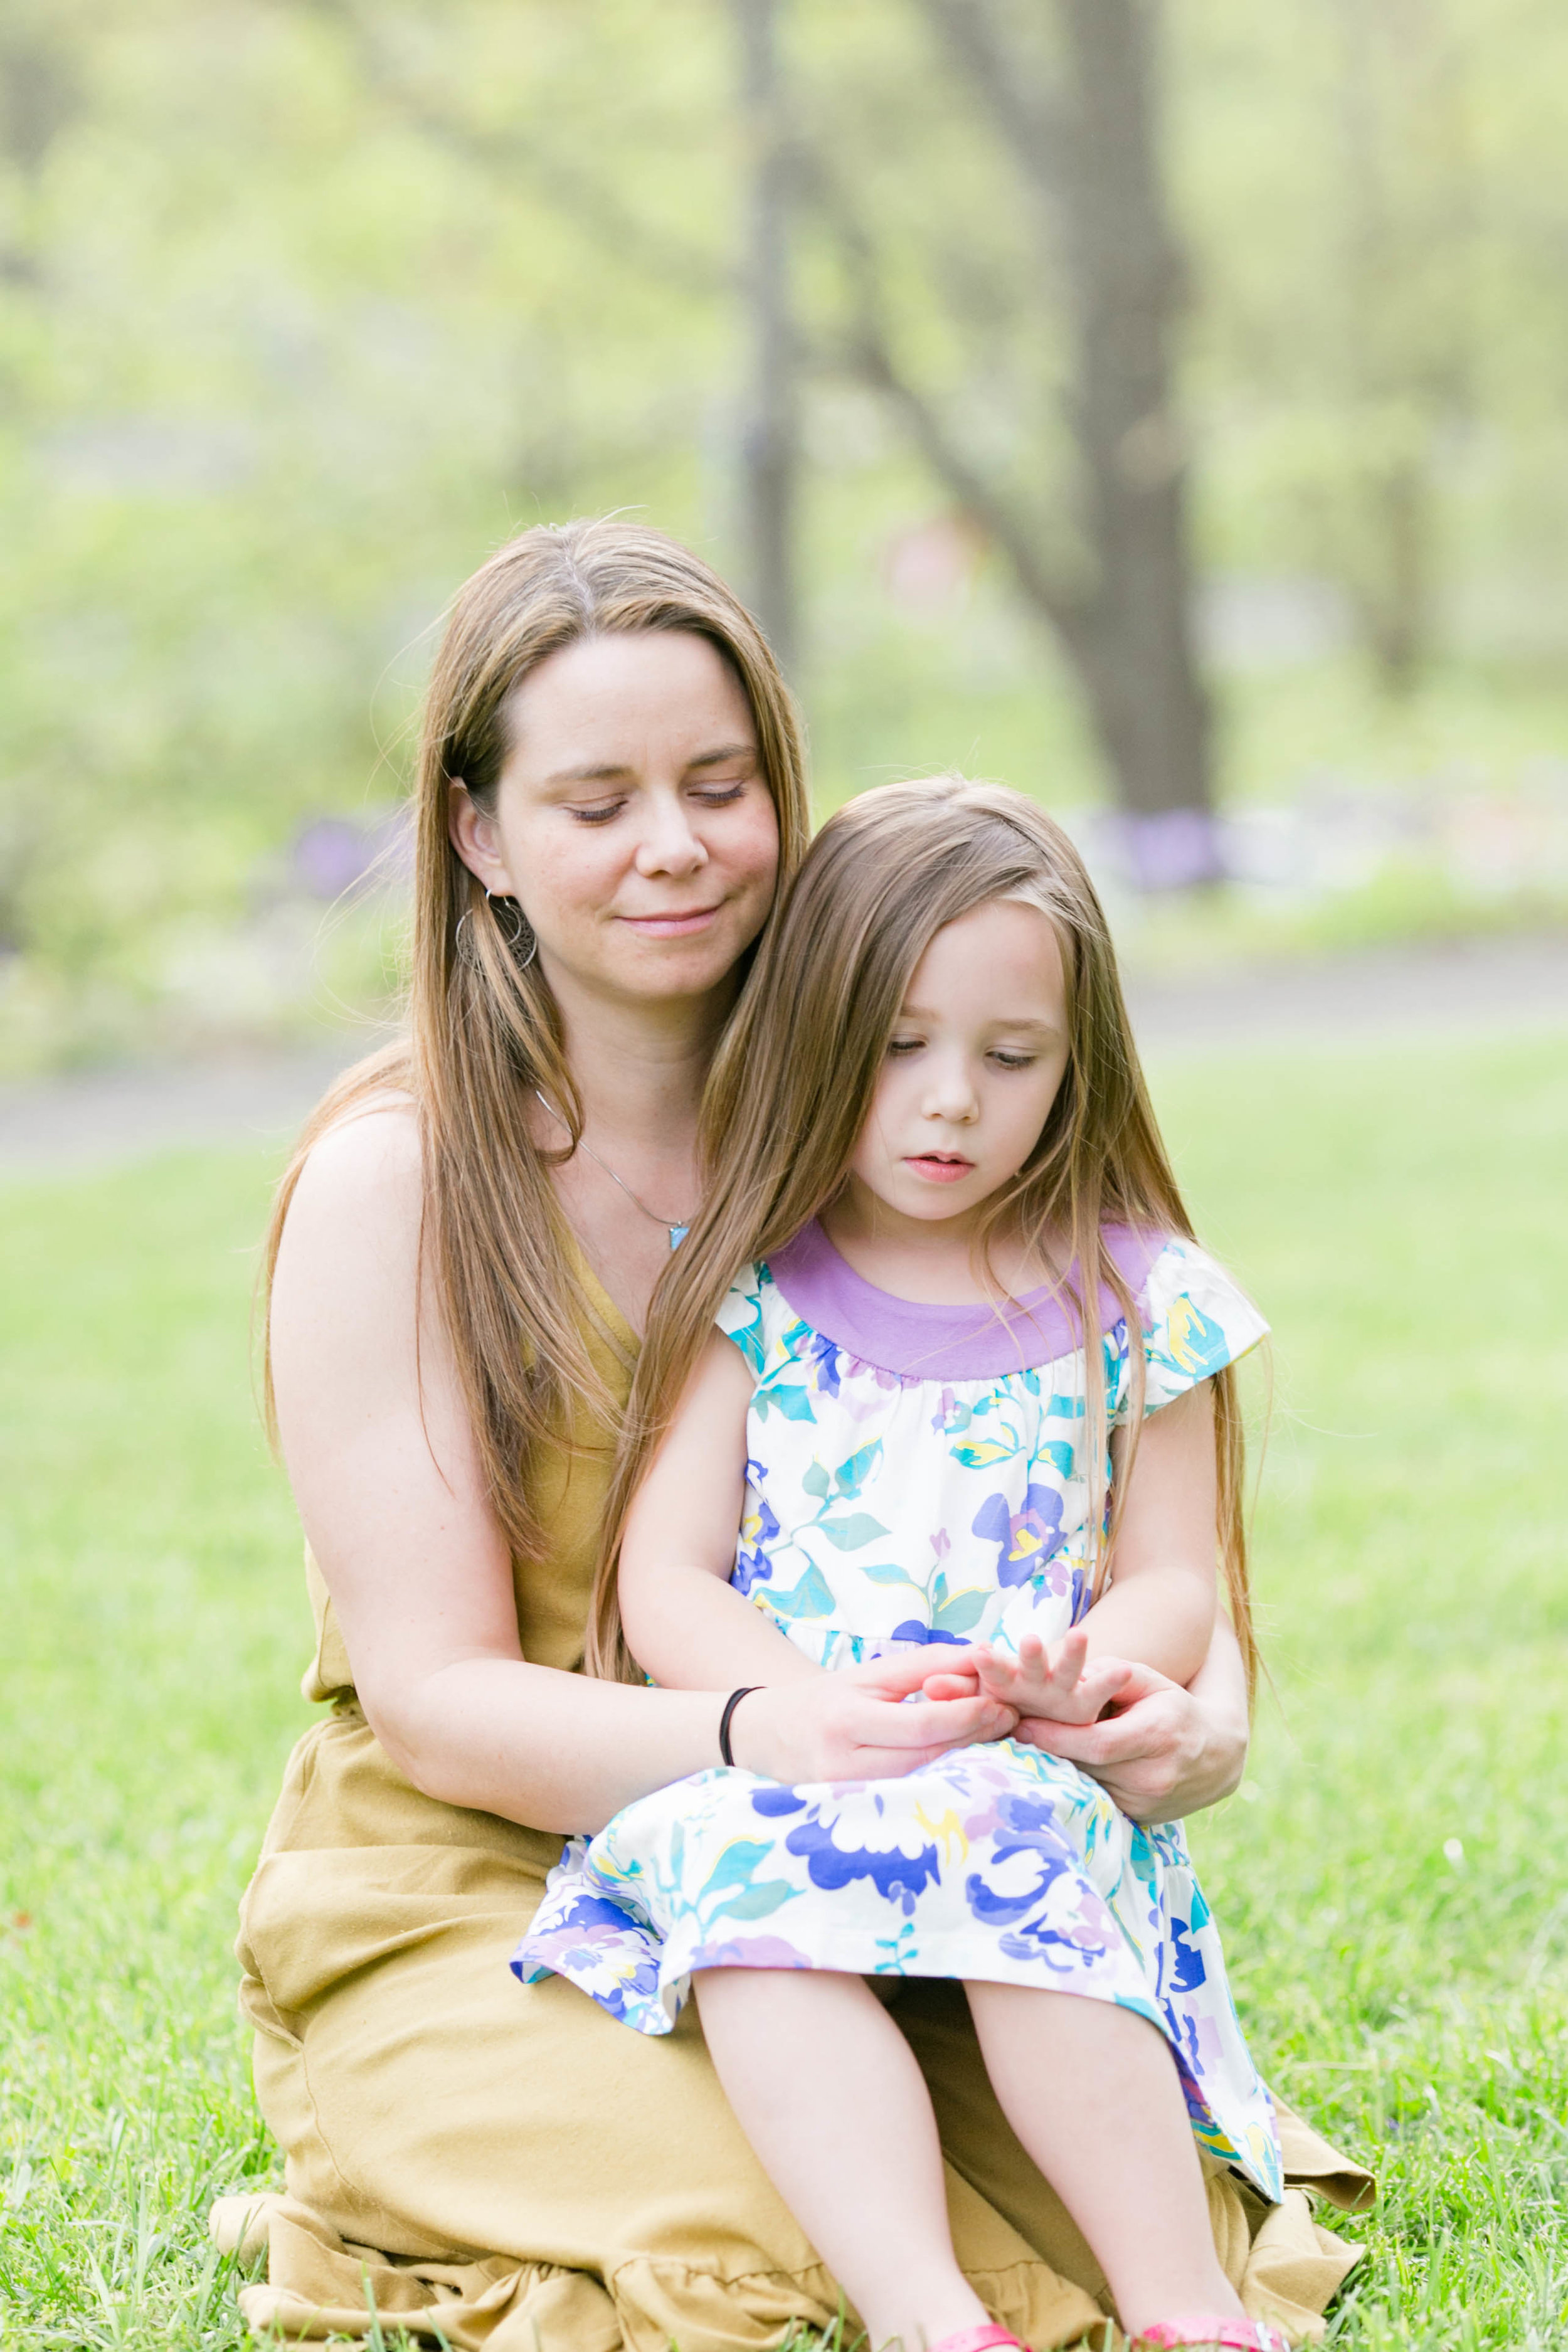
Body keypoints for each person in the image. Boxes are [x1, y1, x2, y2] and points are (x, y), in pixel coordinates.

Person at [214, 521, 1372, 2352]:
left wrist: (1193, 1712)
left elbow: (1104, 1473)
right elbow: (436, 1698)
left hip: (867, 1811)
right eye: (592, 798)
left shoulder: (903, 1085)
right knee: (782, 2251)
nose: (672, 841)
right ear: (480, 834)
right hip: (490, 1849)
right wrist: (775, 1730)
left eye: (717, 781)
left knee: (1124, 2211)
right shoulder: (400, 1179)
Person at [514, 778, 1285, 2352]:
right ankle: (932, 2317)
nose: (950, 1104)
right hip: (800, 1751)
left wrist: (1071, 1678)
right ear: (810, 1037)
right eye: (896, 1049)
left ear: (1079, 1065)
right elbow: (668, 1577)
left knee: (1017, 1846)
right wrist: (802, 1711)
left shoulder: (1140, 1300)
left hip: (1016, 1759)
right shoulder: (751, 1290)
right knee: (747, 1919)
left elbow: (1172, 1574)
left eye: (1010, 1060)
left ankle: (1180, 2305)